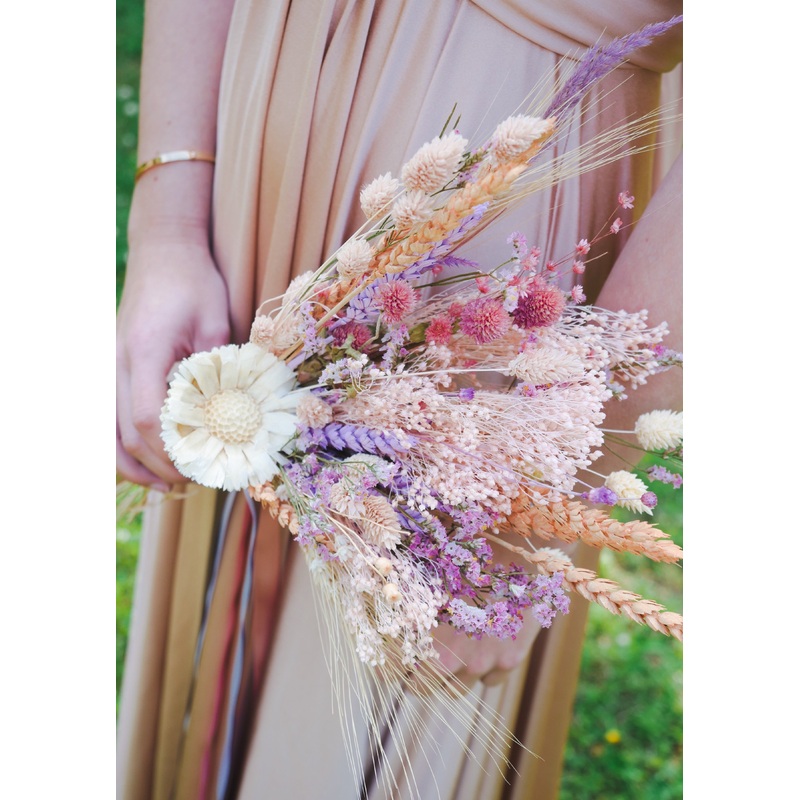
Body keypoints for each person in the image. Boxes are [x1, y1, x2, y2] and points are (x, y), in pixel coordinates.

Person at [116, 2, 683, 798]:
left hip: (501, 180)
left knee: (377, 690)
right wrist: (169, 222)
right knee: (214, 528)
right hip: (253, 110)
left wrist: (544, 500)